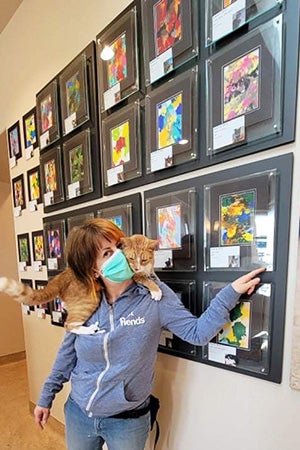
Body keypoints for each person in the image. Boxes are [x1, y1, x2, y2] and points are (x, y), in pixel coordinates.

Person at [34, 218, 265, 450]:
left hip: (127, 420)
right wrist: (46, 397)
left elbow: (197, 333)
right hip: (79, 413)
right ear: (93, 270)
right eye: (107, 253)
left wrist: (229, 293)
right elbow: (67, 355)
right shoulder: (84, 299)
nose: (119, 254)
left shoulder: (154, 296)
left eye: (118, 246)